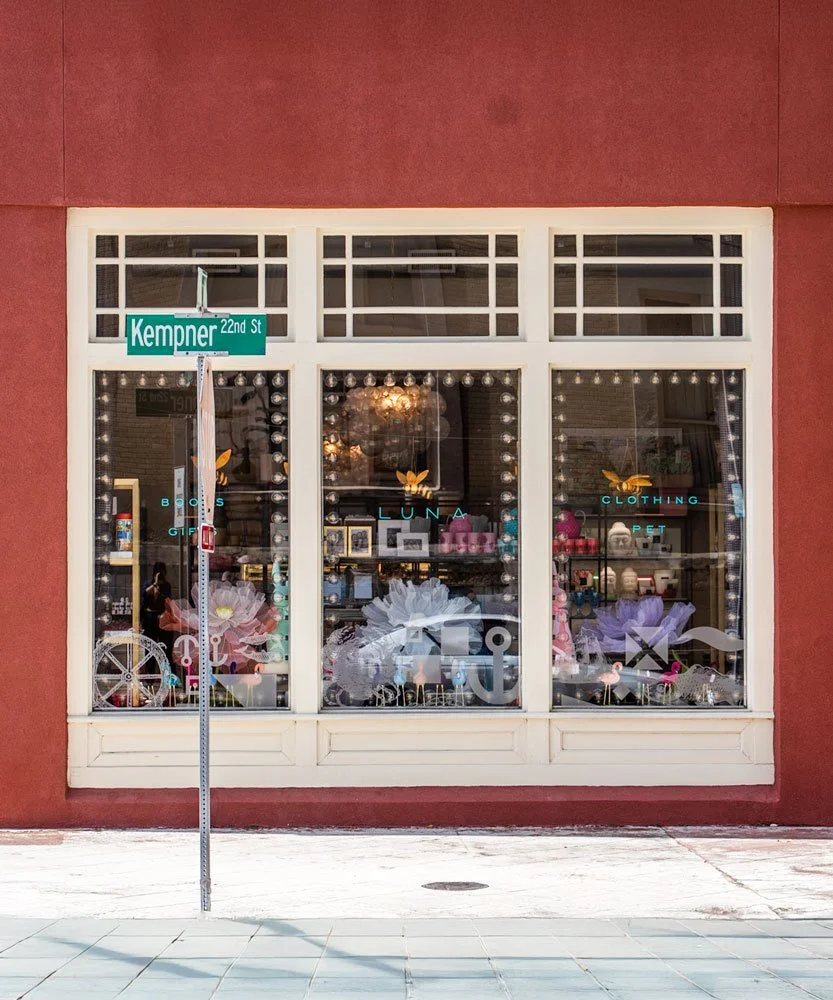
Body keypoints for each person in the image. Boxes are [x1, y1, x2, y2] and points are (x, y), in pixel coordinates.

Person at [141, 562, 173, 658]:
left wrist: (160, 588)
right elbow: (144, 595)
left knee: (165, 646)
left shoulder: (166, 585)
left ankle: (167, 670)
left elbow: (167, 600)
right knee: (150, 646)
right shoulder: (148, 584)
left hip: (162, 617)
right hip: (150, 618)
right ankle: (150, 671)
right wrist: (155, 584)